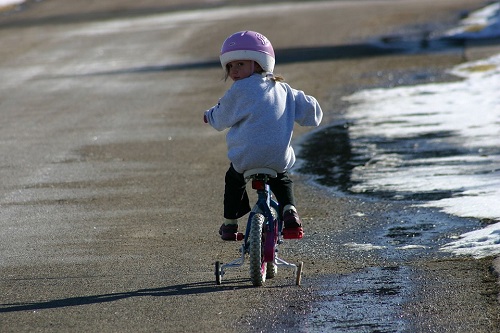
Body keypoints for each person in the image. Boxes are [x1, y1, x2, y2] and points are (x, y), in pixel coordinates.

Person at [204, 30, 323, 241]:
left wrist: (209, 116)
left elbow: (221, 117)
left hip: (246, 159)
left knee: (234, 179)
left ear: (260, 63)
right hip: (277, 158)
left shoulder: (239, 90)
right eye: (230, 66)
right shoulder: (284, 89)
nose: (234, 71)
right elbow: (311, 113)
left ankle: (230, 224)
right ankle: (290, 211)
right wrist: (314, 108)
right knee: (282, 178)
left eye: (240, 64)